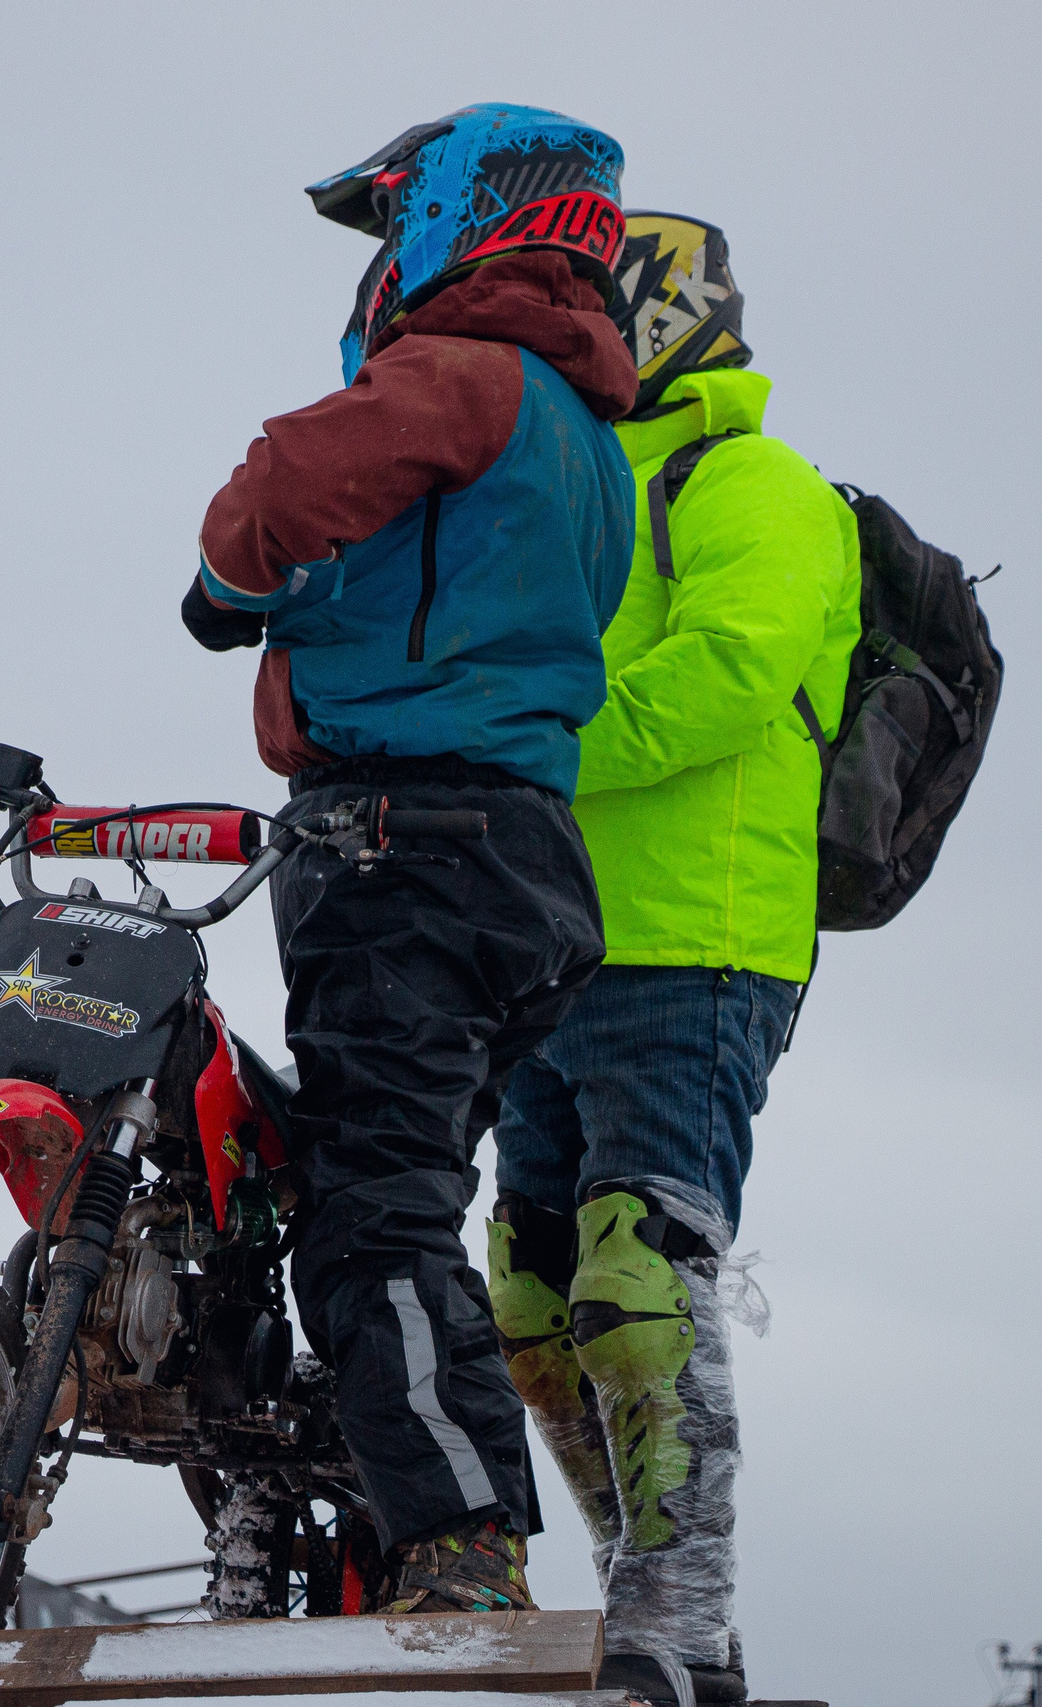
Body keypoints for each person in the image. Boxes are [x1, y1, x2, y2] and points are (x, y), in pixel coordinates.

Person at [182, 103, 640, 1615]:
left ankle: (456, 1539)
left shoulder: (453, 373)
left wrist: (223, 575)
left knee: (374, 1208)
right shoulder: (586, 432)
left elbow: (287, 483)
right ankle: (399, 1492)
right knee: (395, 1180)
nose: (380, 265)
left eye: (392, 227)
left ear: (460, 214)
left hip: (402, 839)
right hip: (524, 854)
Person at [484, 212, 859, 1703]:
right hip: (545, 941)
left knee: (641, 1274)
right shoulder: (569, 481)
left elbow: (726, 670)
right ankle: (657, 1603)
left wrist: (534, 749)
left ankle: (678, 1619)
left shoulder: (755, 480)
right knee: (533, 1298)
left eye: (588, 305)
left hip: (699, 940)